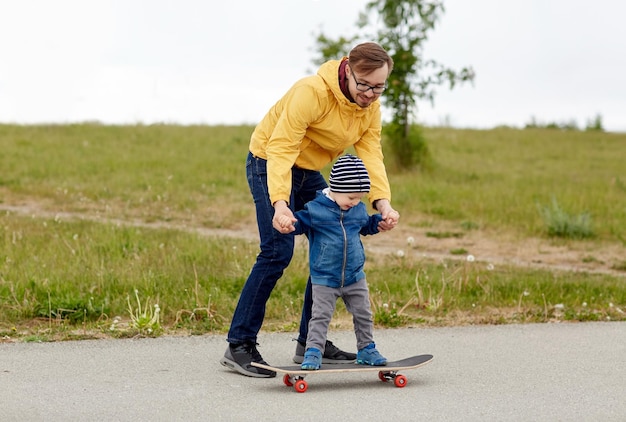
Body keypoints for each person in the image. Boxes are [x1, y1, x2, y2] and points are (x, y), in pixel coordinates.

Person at [220, 42, 400, 378]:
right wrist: (280, 204)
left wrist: (382, 202)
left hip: (310, 171)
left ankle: (311, 343)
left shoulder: (369, 108)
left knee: (328, 245)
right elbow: (282, 146)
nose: (371, 94)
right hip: (269, 161)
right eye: (365, 85)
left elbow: (371, 154)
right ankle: (239, 344)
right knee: (277, 251)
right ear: (347, 71)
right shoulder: (312, 92)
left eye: (379, 87)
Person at [277, 154, 387, 370]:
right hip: (325, 278)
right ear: (336, 188)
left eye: (359, 198)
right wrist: (287, 222)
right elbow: (298, 224)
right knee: (319, 317)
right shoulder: (315, 210)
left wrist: (379, 223)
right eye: (352, 197)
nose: (355, 202)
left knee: (364, 314)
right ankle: (313, 352)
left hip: (355, 276)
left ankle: (366, 348)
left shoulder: (356, 209)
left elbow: (364, 225)